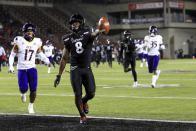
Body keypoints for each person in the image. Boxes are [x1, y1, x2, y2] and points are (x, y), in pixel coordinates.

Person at [54, 14, 104, 124]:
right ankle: (82, 116)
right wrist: (59, 75)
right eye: (73, 23)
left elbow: (94, 34)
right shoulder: (67, 38)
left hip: (86, 68)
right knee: (77, 94)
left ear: (81, 23)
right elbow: (64, 58)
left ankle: (84, 101)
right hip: (75, 69)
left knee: (91, 93)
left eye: (76, 22)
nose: (74, 24)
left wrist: (99, 30)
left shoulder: (87, 32)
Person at [9, 23, 50, 114]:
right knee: (23, 88)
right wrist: (11, 66)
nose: (29, 33)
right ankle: (23, 93)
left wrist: (46, 60)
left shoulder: (37, 41)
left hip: (32, 68)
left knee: (33, 90)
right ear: (24, 32)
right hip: (21, 69)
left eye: (31, 31)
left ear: (34, 32)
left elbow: (40, 53)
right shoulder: (19, 40)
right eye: (28, 31)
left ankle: (31, 105)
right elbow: (12, 55)